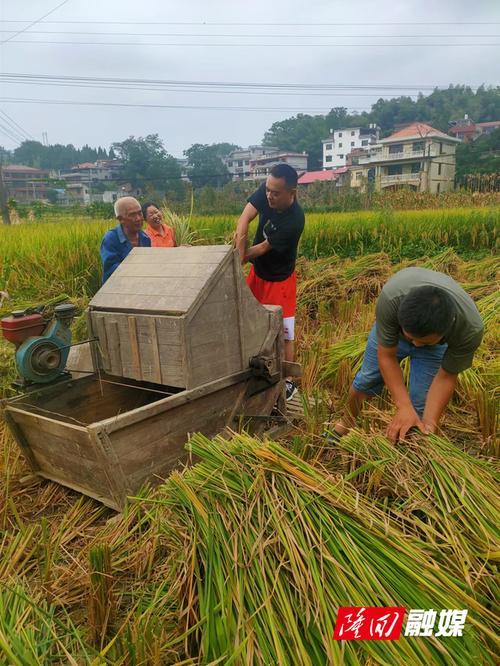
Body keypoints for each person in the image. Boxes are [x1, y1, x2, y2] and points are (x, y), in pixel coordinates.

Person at [329, 267, 484, 443]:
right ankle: (345, 423)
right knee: (366, 381)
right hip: (397, 333)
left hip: (434, 346)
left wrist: (430, 423)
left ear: (446, 331)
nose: (416, 345)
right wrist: (403, 406)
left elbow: (446, 376)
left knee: (420, 407)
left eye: (423, 342)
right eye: (412, 339)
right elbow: (386, 356)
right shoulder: (391, 299)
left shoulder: (469, 330)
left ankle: (409, 446)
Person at [235, 163, 305, 401]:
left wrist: (237, 259)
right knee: (250, 321)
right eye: (268, 190)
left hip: (280, 279)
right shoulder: (268, 190)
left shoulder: (294, 220)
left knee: (284, 333)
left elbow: (263, 248)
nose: (269, 196)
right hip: (258, 273)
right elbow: (245, 217)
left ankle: (288, 382)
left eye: (275, 193)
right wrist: (238, 253)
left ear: (291, 193)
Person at [100, 197, 151, 283]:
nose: (138, 218)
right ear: (120, 219)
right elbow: (111, 269)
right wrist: (139, 269)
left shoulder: (145, 238)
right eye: (132, 215)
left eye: (140, 213)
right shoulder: (111, 239)